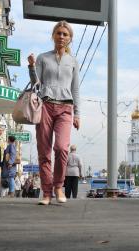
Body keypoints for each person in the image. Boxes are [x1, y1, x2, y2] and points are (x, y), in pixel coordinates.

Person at [28, 20, 80, 205]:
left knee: (61, 148)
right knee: (44, 152)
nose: (61, 37)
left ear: (70, 39)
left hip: (65, 109)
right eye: (59, 33)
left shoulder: (73, 62)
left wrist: (78, 114)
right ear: (53, 36)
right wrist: (31, 67)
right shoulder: (43, 58)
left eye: (65, 34)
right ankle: (47, 193)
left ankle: (59, 186)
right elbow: (36, 84)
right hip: (46, 107)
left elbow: (75, 90)